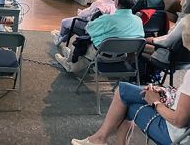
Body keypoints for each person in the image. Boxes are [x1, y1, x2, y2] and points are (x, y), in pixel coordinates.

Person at [71, 16, 190, 145]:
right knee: (124, 92)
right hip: (181, 126)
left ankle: (99, 139)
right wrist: (167, 91)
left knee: (125, 97)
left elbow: (179, 120)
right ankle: (100, 139)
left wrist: (155, 102)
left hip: (176, 136)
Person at [56, 0, 144, 72]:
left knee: (80, 41)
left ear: (116, 2)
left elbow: (89, 29)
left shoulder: (107, 19)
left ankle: (70, 64)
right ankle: (70, 56)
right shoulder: (138, 20)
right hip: (122, 56)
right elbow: (140, 37)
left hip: (101, 55)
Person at [52, 0, 122, 46]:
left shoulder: (99, 3)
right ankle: (61, 39)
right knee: (73, 26)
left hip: (89, 26)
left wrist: (80, 13)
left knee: (64, 22)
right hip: (104, 31)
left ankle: (60, 37)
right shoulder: (116, 6)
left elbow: (85, 14)